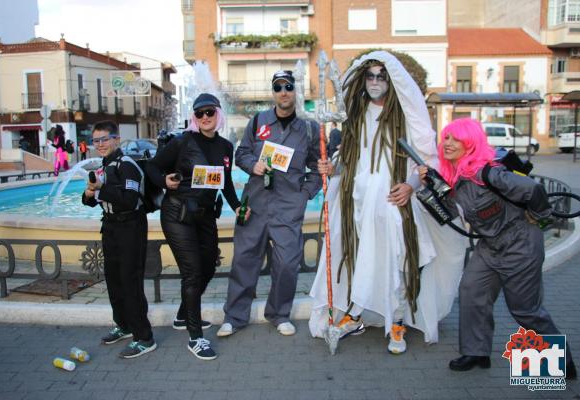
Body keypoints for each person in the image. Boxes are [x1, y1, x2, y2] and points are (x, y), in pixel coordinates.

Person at [308, 51, 467, 353]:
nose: (376, 81)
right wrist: (333, 168)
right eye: (371, 75)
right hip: (357, 201)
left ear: (391, 80)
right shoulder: (355, 115)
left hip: (393, 202)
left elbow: (426, 160)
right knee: (356, 255)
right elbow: (350, 158)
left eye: (382, 75)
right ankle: (354, 314)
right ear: (363, 80)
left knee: (397, 259)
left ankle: (397, 321)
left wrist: (410, 185)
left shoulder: (405, 115)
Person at [418, 118, 576, 377]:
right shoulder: (455, 178)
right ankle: (476, 352)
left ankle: (562, 363)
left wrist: (540, 214)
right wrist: (431, 188)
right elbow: (448, 215)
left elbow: (532, 188)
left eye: (455, 138)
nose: (447, 143)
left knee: (525, 310)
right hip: (490, 246)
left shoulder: (489, 173)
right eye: (445, 137)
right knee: (471, 292)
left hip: (520, 243)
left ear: (470, 143)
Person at [217, 70, 322, 337]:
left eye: (288, 86)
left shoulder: (310, 129)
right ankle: (234, 316)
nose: (283, 92)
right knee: (244, 260)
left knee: (287, 263)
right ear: (273, 92)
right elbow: (241, 154)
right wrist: (254, 165)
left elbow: (318, 168)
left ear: (295, 91)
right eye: (278, 87)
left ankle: (279, 313)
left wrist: (305, 194)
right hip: (255, 204)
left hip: (289, 207)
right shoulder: (258, 122)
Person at [147, 93, 243, 361]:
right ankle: (195, 337)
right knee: (192, 271)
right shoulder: (183, 142)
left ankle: (182, 316)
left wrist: (236, 206)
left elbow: (225, 183)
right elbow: (153, 167)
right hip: (177, 214)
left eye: (209, 112)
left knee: (210, 264)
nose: (204, 118)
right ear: (194, 117)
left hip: (204, 216)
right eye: (199, 113)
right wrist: (165, 182)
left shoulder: (225, 147)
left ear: (218, 114)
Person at [82, 120, 156, 359]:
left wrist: (101, 189)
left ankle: (144, 337)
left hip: (130, 227)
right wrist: (89, 192)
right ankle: (123, 325)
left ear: (116, 139)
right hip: (111, 226)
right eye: (96, 140)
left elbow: (128, 199)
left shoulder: (127, 165)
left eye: (105, 139)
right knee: (113, 279)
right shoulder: (105, 165)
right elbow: (90, 200)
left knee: (130, 281)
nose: (100, 144)